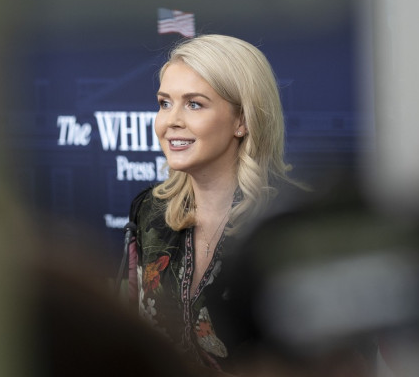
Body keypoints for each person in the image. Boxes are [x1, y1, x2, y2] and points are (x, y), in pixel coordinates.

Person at [129, 34, 304, 374]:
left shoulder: (285, 227)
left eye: (194, 104)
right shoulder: (150, 211)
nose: (171, 121)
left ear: (242, 120)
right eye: (164, 103)